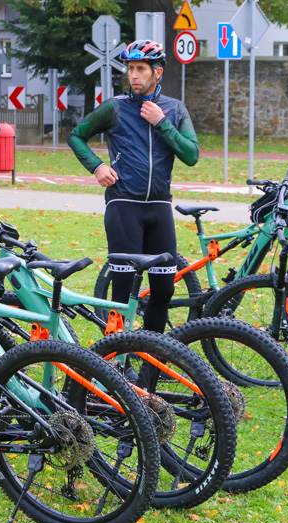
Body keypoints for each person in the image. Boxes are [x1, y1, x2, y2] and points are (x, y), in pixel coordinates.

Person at [68, 40, 199, 333]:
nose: (134, 75)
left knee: (164, 290)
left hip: (160, 207)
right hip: (123, 206)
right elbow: (76, 135)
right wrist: (98, 166)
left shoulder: (175, 110)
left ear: (158, 73)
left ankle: (150, 364)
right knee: (123, 292)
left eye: (141, 69)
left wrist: (162, 122)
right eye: (130, 69)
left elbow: (191, 155)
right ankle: (118, 363)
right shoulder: (116, 107)